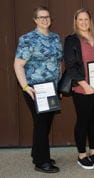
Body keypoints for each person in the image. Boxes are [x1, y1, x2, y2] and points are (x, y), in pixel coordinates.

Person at [14, 6, 62, 173]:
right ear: (35, 20)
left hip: (52, 88)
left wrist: (59, 86)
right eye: (41, 17)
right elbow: (18, 64)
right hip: (35, 88)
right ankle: (42, 162)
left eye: (47, 16)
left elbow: (58, 63)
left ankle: (37, 154)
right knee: (41, 123)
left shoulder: (55, 38)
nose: (44, 19)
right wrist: (25, 86)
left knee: (46, 122)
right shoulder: (27, 39)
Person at [64, 8, 94, 169]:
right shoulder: (71, 40)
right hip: (83, 89)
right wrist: (84, 85)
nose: (84, 22)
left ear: (90, 21)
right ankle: (82, 154)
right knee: (83, 121)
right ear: (76, 22)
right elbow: (70, 66)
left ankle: (93, 152)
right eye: (80, 20)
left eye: (86, 19)